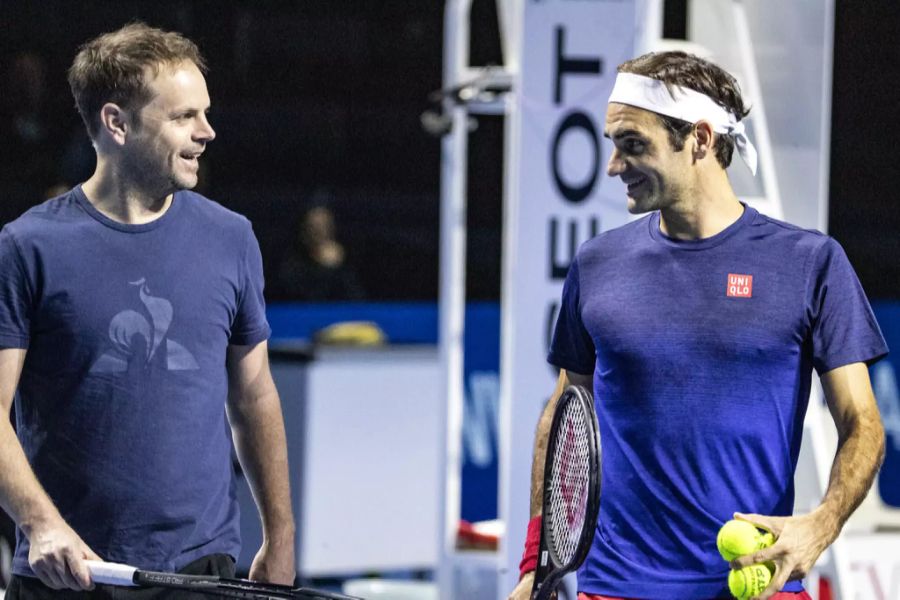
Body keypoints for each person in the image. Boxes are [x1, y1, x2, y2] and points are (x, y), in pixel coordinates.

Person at [509, 51, 888, 600]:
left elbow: (862, 422)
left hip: (756, 585)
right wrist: (535, 564)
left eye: (633, 144)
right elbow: (564, 418)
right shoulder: (595, 264)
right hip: (614, 587)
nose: (614, 165)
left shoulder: (811, 263)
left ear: (701, 140)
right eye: (614, 143)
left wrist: (820, 525)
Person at [0, 23, 295, 597]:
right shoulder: (26, 246)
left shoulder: (231, 238)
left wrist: (279, 535)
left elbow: (254, 392)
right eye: (184, 116)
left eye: (205, 113)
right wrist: (41, 525)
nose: (207, 132)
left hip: (199, 573)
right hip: (66, 574)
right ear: (116, 123)